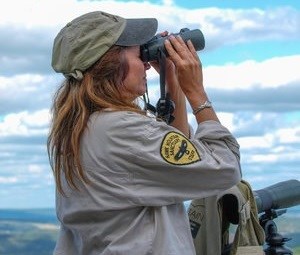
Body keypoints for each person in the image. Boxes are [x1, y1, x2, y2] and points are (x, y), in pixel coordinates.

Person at [48, 10, 241, 255]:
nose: (146, 65)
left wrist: (173, 83)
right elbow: (224, 168)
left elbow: (179, 163)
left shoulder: (77, 128)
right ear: (111, 63)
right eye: (139, 54)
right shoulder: (122, 129)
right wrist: (197, 94)